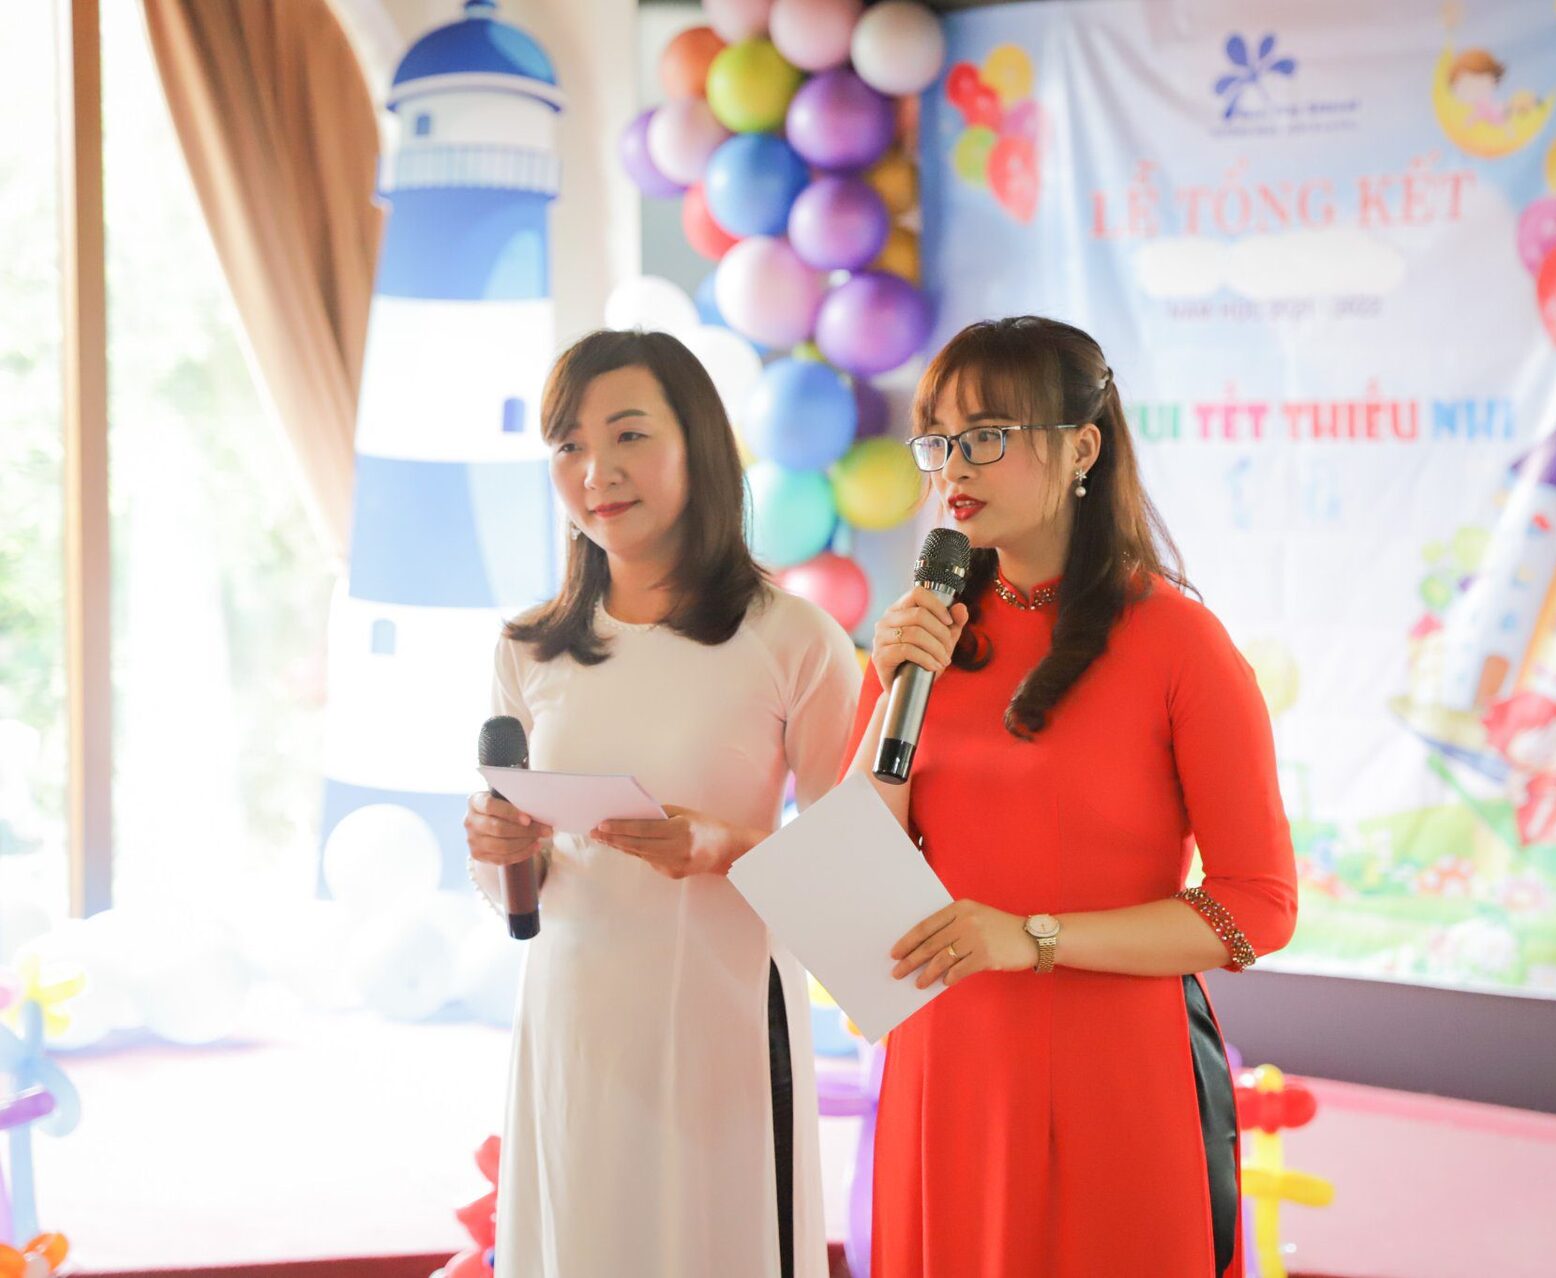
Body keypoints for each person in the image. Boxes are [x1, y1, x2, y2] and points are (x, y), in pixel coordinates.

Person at [844, 316, 1299, 1277]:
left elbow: (1258, 906)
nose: (952, 467)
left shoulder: (1179, 643)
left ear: (1083, 447)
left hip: (1114, 1073)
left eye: (986, 436)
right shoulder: (925, 638)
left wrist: (1034, 937)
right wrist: (889, 692)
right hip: (945, 1066)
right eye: (937, 440)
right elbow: (855, 884)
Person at [464, 329, 860, 1277]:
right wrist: (500, 844)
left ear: (699, 444)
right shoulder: (528, 647)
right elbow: (526, 888)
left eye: (629, 435)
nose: (596, 470)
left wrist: (727, 845)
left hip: (724, 1038)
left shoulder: (796, 641)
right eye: (568, 444)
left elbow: (855, 891)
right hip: (572, 1032)